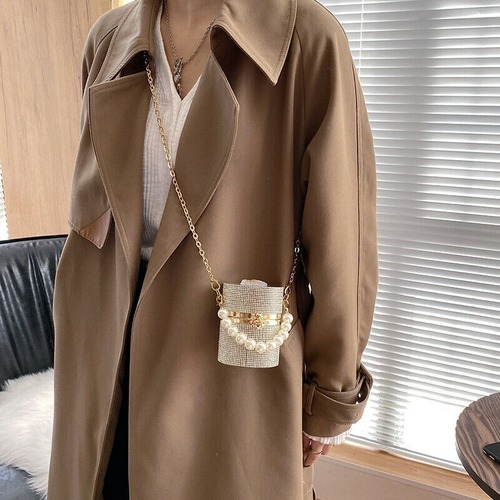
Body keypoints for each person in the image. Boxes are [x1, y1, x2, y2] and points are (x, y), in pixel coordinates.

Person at [47, 0, 378, 498]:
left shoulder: (307, 40)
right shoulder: (109, 39)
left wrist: (331, 394)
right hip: (103, 358)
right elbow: (95, 215)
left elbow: (342, 239)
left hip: (232, 368)